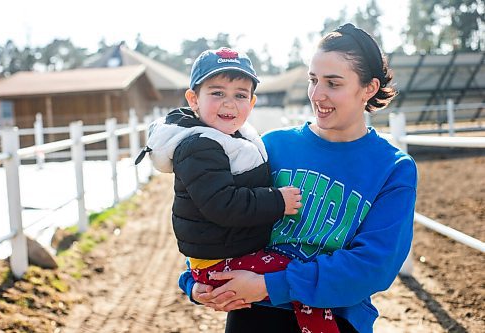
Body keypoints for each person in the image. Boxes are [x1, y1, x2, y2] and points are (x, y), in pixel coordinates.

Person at [179, 24, 418, 333]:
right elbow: (220, 216)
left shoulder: (393, 168)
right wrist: (194, 280)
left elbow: (373, 266)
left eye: (333, 83)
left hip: (337, 317)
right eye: (313, 80)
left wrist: (271, 284)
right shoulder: (273, 146)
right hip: (255, 316)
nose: (317, 95)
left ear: (369, 88)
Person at [136, 47, 340, 332]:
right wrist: (277, 201)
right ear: (194, 100)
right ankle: (321, 328)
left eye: (240, 95)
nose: (229, 104)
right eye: (217, 93)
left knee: (294, 272)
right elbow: (223, 204)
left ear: (252, 102)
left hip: (223, 254)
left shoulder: (231, 139)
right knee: (295, 273)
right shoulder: (199, 146)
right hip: (220, 261)